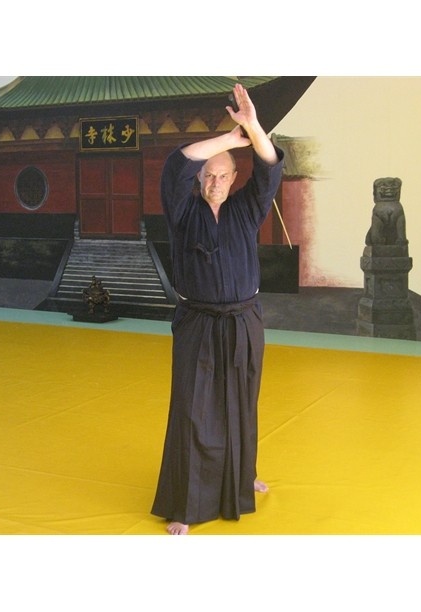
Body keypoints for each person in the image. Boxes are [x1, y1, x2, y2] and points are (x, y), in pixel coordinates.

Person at [150, 83, 285, 535]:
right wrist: (229, 138)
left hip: (245, 320)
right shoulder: (182, 212)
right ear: (199, 179)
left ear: (233, 178)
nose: (215, 183)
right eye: (208, 175)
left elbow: (269, 167)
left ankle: (242, 478)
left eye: (223, 175)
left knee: (242, 402)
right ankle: (185, 505)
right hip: (198, 322)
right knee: (194, 409)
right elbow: (176, 165)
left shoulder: (247, 209)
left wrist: (253, 127)